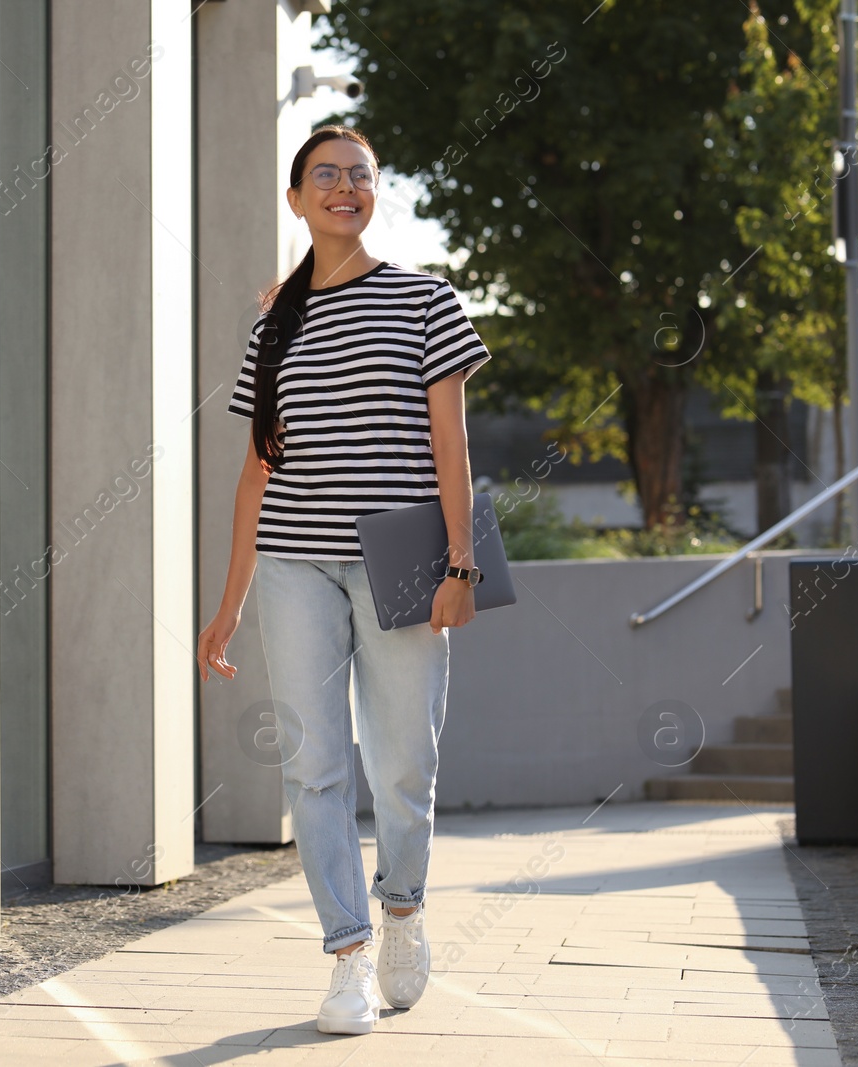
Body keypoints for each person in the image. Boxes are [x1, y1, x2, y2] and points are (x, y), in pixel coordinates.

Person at [195, 124, 491, 1036]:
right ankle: (346, 955)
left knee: (405, 760)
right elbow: (257, 471)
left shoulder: (425, 301)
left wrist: (462, 562)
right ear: (296, 199)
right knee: (314, 765)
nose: (343, 188)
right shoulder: (271, 325)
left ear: (373, 195)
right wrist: (230, 598)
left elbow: (452, 444)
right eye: (325, 176)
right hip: (292, 562)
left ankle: (402, 905)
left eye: (358, 176)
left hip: (402, 550)